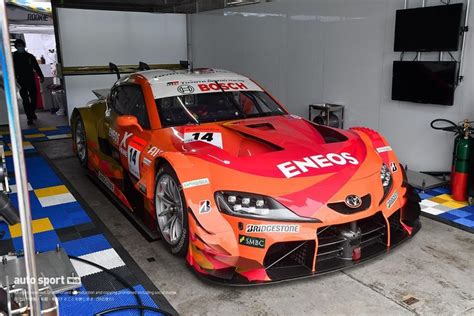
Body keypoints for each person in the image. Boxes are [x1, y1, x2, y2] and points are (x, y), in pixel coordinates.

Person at [12, 39, 44, 125]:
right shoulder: (13, 57)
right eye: (18, 46)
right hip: (20, 81)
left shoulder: (30, 56)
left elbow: (36, 67)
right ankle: (29, 117)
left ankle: (32, 111)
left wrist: (41, 76)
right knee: (25, 99)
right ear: (16, 47)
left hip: (31, 80)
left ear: (24, 46)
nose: (20, 47)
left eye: (21, 46)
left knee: (34, 98)